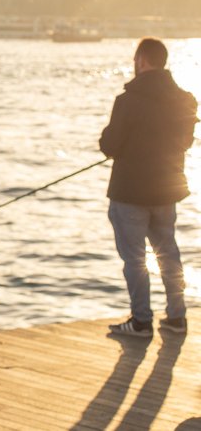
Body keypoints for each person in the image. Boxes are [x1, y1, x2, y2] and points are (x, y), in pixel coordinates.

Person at [100, 37, 195, 338]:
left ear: (141, 61)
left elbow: (109, 145)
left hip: (130, 193)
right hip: (167, 190)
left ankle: (141, 321)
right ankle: (177, 317)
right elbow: (186, 142)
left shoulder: (127, 101)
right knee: (169, 252)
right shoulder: (185, 100)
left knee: (134, 258)